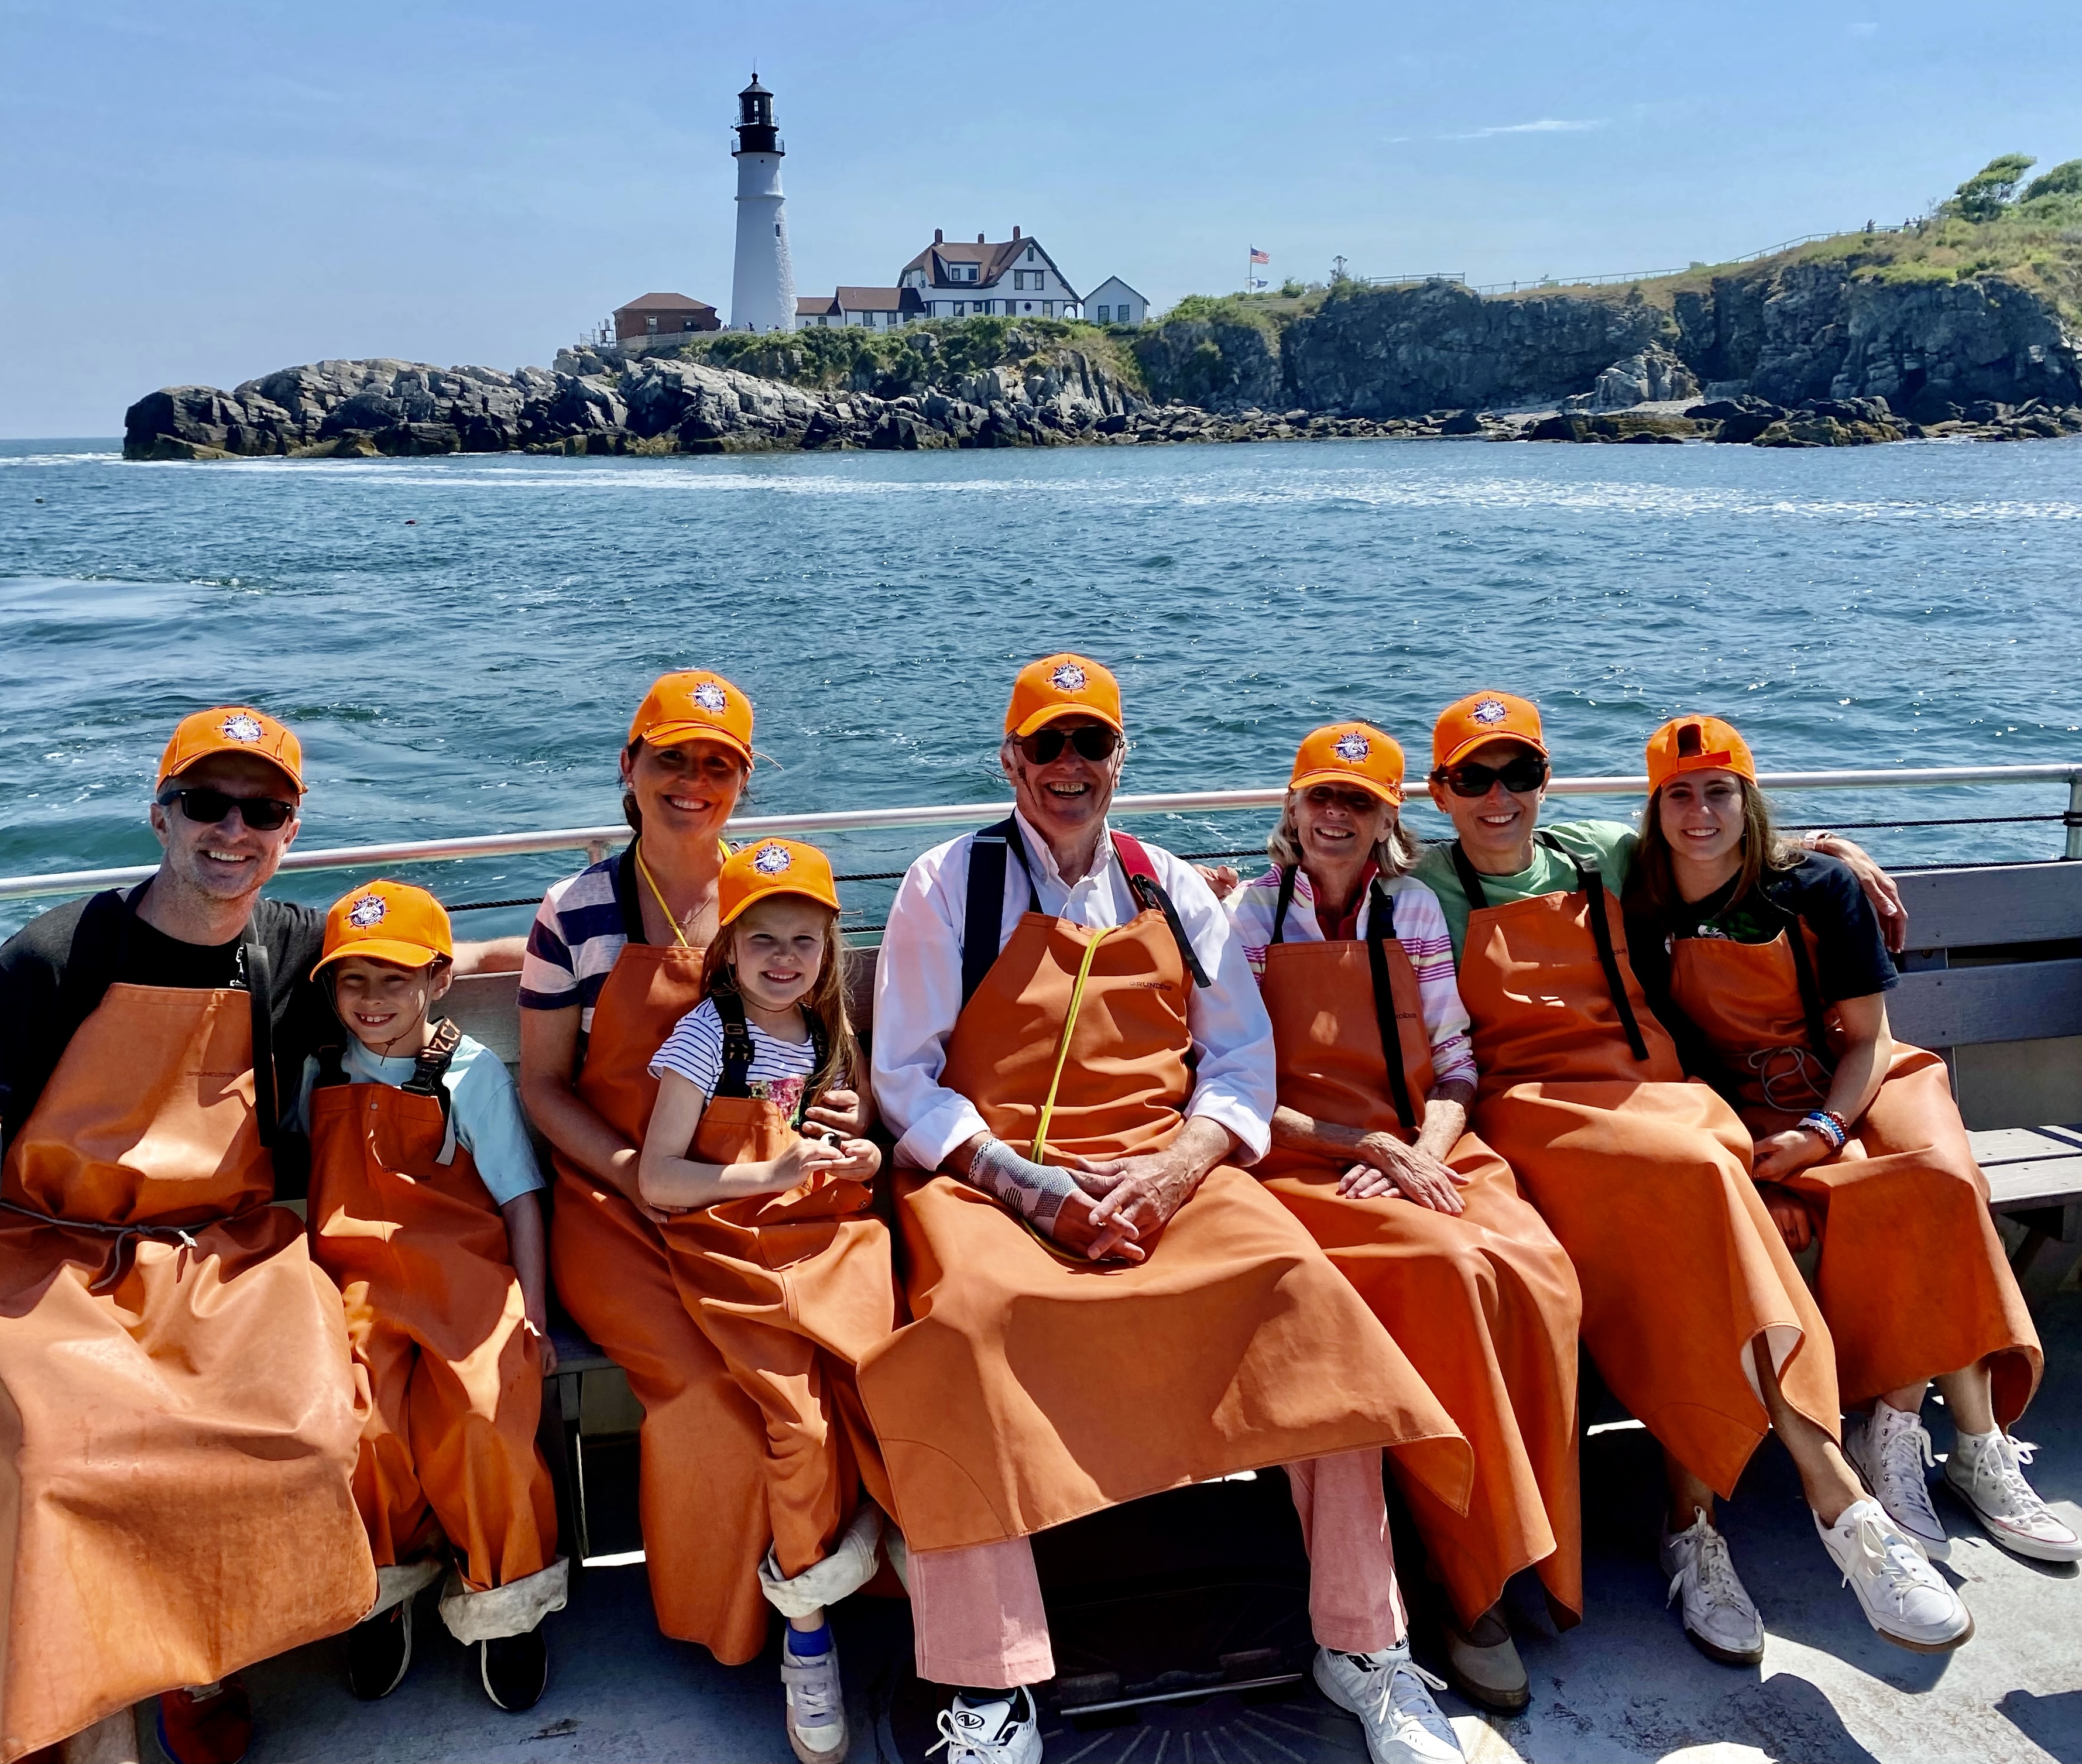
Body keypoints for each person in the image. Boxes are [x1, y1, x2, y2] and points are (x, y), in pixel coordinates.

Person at [866, 654, 1476, 1764]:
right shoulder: (945, 884)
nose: (1069, 765)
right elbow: (905, 1077)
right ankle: (988, 1689)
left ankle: (1365, 1645)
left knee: (1306, 1296)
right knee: (964, 1333)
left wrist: (1177, 1169)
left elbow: (1239, 1062)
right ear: (1009, 761)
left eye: (1090, 744)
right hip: (994, 1178)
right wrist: (1030, 1187)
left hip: (1166, 1165)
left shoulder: (1174, 887)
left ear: (1120, 759)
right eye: (1046, 744)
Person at [1409, 689, 1974, 1664]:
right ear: (1440, 793)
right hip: (1539, 1114)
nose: (1499, 798)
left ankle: (1697, 1527)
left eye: (1520, 773)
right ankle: (1839, 1501)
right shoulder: (1421, 888)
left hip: (1658, 1094)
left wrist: (1827, 850)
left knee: (1709, 1186)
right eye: (1475, 778)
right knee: (1706, 1177)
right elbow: (1314, 891)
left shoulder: (1602, 853)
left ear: (1547, 779)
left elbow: (1720, 840)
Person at [0, 707, 375, 1764]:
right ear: (160, 816)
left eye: (264, 812)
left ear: (292, 831)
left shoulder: (295, 947)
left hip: (226, 1256)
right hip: (54, 1260)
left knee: (311, 1433)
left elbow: (432, 958)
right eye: (206, 803)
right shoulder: (53, 957)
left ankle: (203, 1659)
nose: (233, 831)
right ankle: (86, 1722)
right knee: (60, 1467)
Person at [1625, 715, 2071, 1564]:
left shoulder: (1817, 887)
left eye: (1719, 792)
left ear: (1748, 801)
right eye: (1678, 795)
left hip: (1860, 1079)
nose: (1700, 813)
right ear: (1653, 809)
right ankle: (1901, 1430)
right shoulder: (1640, 902)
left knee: (1942, 1182)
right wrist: (1779, 1148)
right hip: (1748, 1104)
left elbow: (1869, 1038)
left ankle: (1950, 1437)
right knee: (1884, 1198)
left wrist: (1826, 1129)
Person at [1224, 721, 1584, 1712]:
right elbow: (1236, 1089)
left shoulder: (1413, 906)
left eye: (1361, 802)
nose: (1338, 817)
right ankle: (1470, 1586)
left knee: (1539, 1273)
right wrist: (1367, 1149)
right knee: (1449, 1274)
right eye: (1322, 797)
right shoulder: (1250, 917)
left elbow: (1458, 1064)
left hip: (1424, 1145)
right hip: (1305, 1163)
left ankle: (1522, 1543)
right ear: (1293, 809)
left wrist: (1422, 1150)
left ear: (1390, 819)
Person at [512, 672, 869, 1668]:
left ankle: (839, 1589)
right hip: (616, 1207)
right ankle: (746, 1630)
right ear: (629, 768)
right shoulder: (574, 914)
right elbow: (543, 1086)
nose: (693, 782)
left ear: (744, 784)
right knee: (710, 1392)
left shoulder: (773, 898)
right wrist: (631, 1170)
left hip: (762, 1202)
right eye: (672, 758)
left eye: (719, 765)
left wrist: (848, 1111)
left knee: (843, 1369)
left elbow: (826, 1046)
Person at [638, 839, 898, 1764]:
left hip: (828, 1242)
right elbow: (659, 1178)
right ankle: (808, 1630)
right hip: (736, 1254)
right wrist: (767, 1173)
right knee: (797, 1425)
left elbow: (850, 1133)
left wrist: (864, 1152)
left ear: (829, 949)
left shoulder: (829, 1034)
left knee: (898, 1386)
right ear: (729, 950)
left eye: (803, 941)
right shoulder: (705, 1037)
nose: (784, 959)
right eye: (763, 940)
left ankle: (913, 1574)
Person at [299, 880, 570, 1715]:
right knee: (358, 1420)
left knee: (485, 1417)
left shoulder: (472, 1071)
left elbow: (520, 1198)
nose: (372, 998)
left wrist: (534, 1309)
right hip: (354, 1285)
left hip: (469, 1279)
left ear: (439, 980)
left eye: (395, 978)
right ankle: (384, 1587)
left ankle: (506, 1599)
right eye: (353, 980)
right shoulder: (317, 1070)